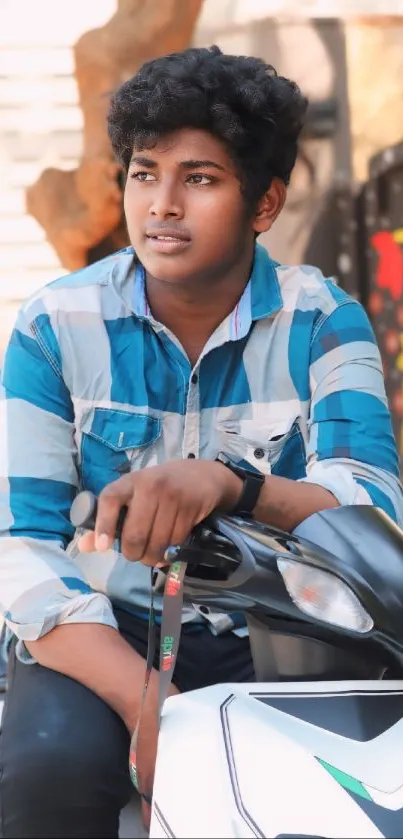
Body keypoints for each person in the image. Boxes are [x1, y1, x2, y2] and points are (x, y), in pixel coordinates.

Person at [0, 45, 402, 838]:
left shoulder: (323, 322)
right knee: (44, 771)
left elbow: (369, 514)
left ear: (264, 204)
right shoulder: (54, 323)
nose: (162, 205)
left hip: (283, 633)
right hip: (100, 628)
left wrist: (232, 486)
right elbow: (21, 543)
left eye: (201, 178)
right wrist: (147, 705)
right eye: (145, 172)